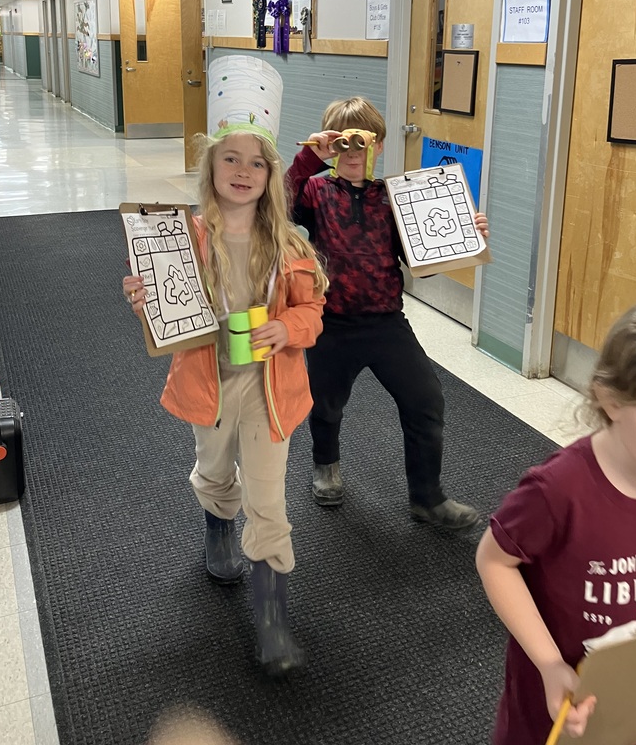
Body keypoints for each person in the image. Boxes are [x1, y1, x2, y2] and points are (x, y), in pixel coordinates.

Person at [124, 56, 327, 676]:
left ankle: (271, 618)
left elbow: (314, 310)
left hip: (272, 389)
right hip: (208, 384)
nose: (243, 171)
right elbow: (168, 322)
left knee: (269, 500)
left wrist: (286, 326)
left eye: (256, 162)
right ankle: (216, 525)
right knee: (214, 471)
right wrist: (145, 300)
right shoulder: (183, 237)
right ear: (210, 165)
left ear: (271, 175)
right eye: (230, 158)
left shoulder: (291, 244)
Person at [475, 296, 636, 745]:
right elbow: (493, 561)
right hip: (567, 696)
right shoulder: (558, 489)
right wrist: (548, 663)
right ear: (612, 399)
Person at [286, 95, 488, 529]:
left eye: (362, 142)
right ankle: (326, 465)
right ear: (331, 146)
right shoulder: (316, 191)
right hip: (331, 324)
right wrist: (309, 158)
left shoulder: (394, 198)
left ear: (376, 145)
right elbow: (277, 205)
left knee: (425, 400)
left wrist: (460, 235)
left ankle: (427, 497)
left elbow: (425, 265)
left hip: (385, 321)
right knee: (325, 404)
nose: (353, 152)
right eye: (342, 142)